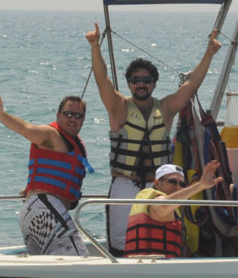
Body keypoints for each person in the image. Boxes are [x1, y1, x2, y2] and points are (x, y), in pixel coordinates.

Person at [86, 22, 223, 256]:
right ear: (129, 83)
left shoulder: (166, 109)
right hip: (124, 184)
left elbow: (191, 86)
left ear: (154, 84)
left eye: (147, 80)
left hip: (158, 186)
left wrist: (209, 53)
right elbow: (102, 81)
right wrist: (94, 46)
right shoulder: (118, 107)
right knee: (122, 242)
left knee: (164, 235)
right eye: (136, 80)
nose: (141, 84)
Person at [0, 95, 93, 256]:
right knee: (81, 260)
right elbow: (26, 129)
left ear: (84, 119)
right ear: (58, 115)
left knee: (51, 268)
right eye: (68, 114)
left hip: (37, 212)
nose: (73, 119)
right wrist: (1, 115)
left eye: (78, 116)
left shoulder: (74, 143)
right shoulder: (51, 135)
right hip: (46, 211)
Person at [125, 161, 222, 258]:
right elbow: (162, 206)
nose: (178, 187)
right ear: (157, 183)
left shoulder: (174, 209)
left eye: (182, 184)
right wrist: (201, 185)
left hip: (158, 265)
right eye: (172, 182)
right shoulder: (151, 197)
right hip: (151, 266)